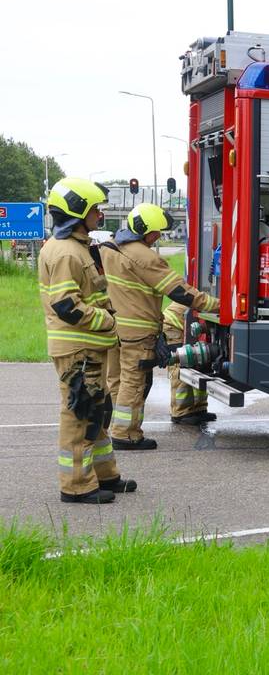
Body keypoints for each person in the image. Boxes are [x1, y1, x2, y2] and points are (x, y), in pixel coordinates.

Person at [38, 177, 136, 504]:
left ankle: (105, 474)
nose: (100, 214)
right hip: (77, 349)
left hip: (89, 348)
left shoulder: (77, 247)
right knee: (80, 416)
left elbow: (89, 292)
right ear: (77, 211)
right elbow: (66, 305)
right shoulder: (66, 252)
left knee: (98, 412)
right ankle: (76, 485)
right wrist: (108, 320)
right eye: (94, 209)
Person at [102, 203, 219, 450]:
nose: (158, 237)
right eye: (156, 232)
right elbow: (179, 291)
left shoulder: (108, 248)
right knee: (136, 382)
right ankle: (126, 434)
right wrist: (217, 305)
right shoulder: (144, 256)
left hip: (111, 328)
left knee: (117, 380)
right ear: (146, 231)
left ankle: (119, 426)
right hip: (137, 332)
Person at [163, 302, 215, 425]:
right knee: (181, 362)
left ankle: (198, 409)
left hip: (186, 322)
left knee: (199, 363)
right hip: (174, 326)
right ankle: (180, 412)